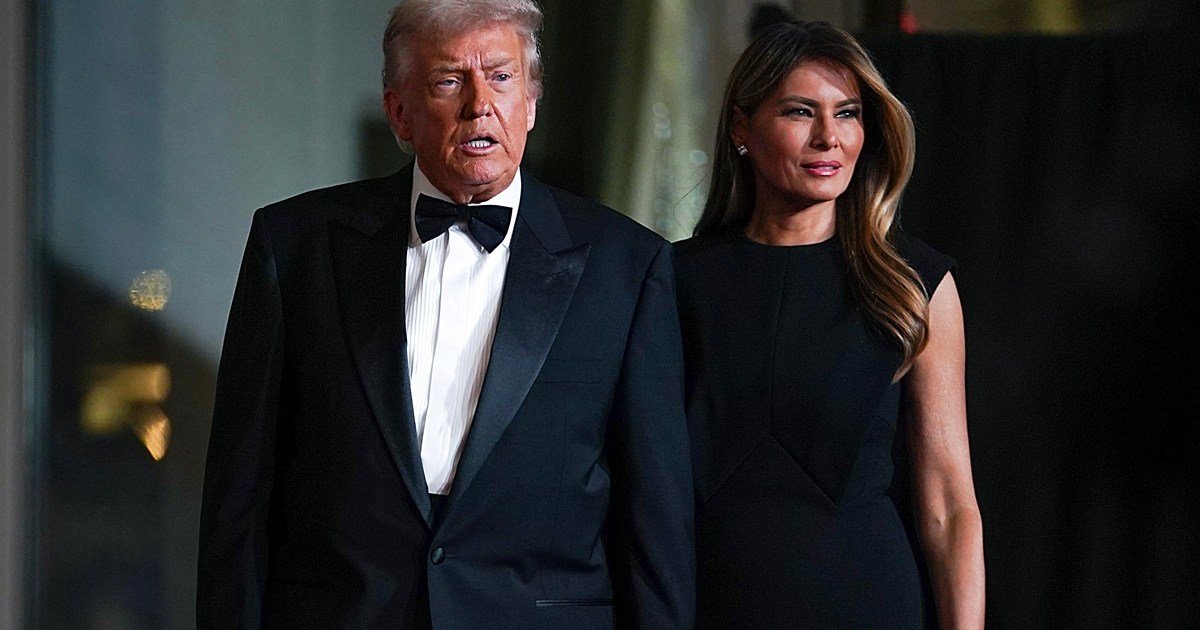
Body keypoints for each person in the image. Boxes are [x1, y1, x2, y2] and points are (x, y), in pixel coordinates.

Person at [196, 1, 694, 628]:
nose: (479, 104)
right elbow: (239, 501)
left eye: (502, 77)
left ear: (532, 102)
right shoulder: (294, 245)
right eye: (449, 80)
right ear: (399, 111)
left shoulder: (628, 267)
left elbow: (655, 524)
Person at [675, 21, 984, 629]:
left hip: (870, 603)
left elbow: (950, 505)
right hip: (710, 606)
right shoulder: (673, 280)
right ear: (741, 128)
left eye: (847, 113)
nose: (829, 138)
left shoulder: (914, 284)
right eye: (799, 111)